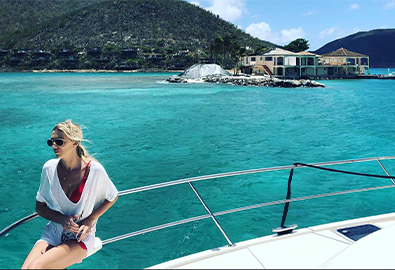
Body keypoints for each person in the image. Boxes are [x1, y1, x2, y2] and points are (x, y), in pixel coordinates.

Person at [21, 119, 118, 269]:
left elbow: (112, 196)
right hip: (53, 232)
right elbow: (40, 208)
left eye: (59, 142)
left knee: (35, 267)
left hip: (80, 238)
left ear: (75, 143)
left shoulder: (94, 170)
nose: (53, 146)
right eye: (51, 142)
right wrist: (62, 220)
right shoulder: (49, 169)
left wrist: (90, 220)